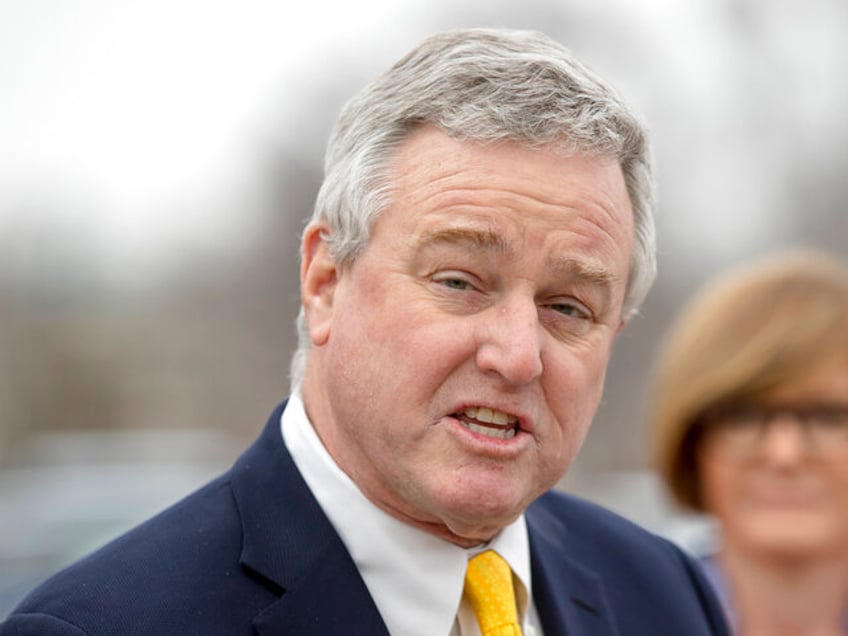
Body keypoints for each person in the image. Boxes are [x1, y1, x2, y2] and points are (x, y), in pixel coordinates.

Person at [1, 28, 729, 635]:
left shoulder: (664, 597)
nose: (515, 355)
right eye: (458, 281)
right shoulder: (102, 627)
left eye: (568, 307)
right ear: (324, 281)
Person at [649, 249, 848, 636]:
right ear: (692, 441)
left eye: (827, 416)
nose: (784, 453)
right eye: (743, 417)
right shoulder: (609, 617)